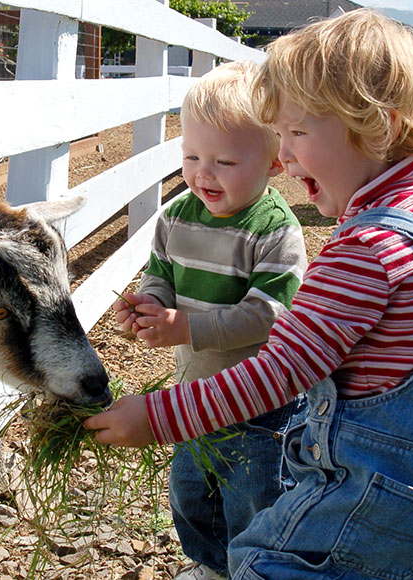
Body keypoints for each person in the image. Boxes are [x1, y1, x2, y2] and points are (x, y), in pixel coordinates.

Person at [86, 10, 413, 579]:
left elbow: (276, 373)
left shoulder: (367, 253)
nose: (286, 155)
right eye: (280, 134)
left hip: (378, 493)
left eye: (298, 132)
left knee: (261, 561)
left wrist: (157, 416)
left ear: (380, 125)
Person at [109, 60, 307, 580]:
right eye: (192, 155)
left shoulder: (274, 231)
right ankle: (211, 565)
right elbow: (160, 274)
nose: (203, 172)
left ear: (274, 164)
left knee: (254, 498)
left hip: (261, 406)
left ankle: (254, 568)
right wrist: (148, 304)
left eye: (223, 160)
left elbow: (268, 316)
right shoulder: (177, 217)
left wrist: (187, 328)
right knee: (193, 492)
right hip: (195, 393)